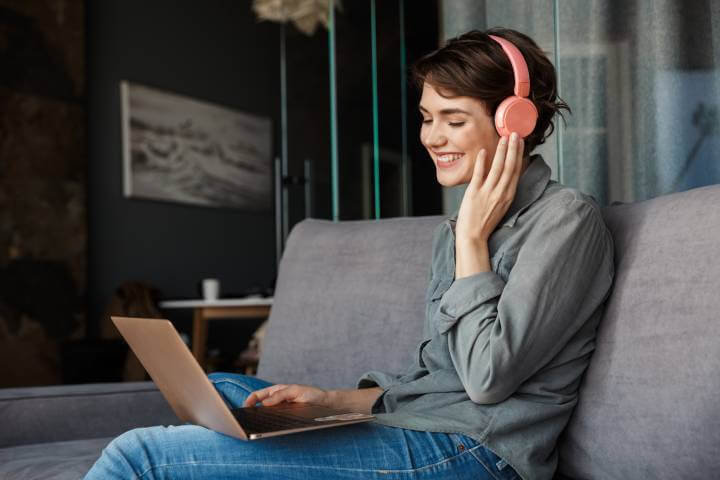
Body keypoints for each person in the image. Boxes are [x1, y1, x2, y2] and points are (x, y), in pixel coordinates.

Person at [85, 27, 614, 480]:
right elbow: (435, 378)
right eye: (427, 117)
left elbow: (487, 378)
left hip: (479, 453)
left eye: (453, 120)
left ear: (513, 124)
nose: (432, 137)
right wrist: (331, 401)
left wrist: (472, 243)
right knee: (223, 388)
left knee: (141, 456)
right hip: (420, 424)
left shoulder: (566, 220)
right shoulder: (452, 229)